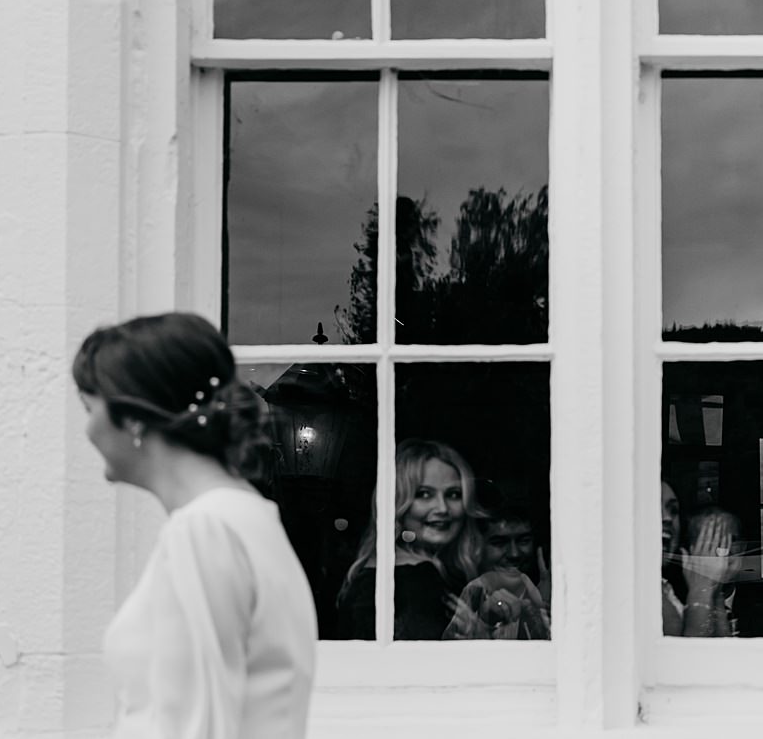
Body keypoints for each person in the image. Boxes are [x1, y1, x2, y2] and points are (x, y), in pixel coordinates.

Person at [74, 312, 315, 739]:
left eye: (89, 408)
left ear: (133, 419)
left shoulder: (207, 530)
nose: (87, 429)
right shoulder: (242, 518)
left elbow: (197, 728)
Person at [335, 439, 491, 640]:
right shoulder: (417, 577)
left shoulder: (379, 571)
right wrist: (481, 643)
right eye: (424, 494)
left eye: (453, 494)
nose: (442, 508)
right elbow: (422, 668)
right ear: (398, 503)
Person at [660, 481, 738, 636]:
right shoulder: (630, 588)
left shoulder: (663, 588)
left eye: (673, 510)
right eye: (709, 544)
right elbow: (691, 658)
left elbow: (722, 652)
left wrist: (712, 590)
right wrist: (701, 589)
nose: (667, 518)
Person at [476, 487, 553, 639]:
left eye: (523, 541)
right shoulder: (468, 596)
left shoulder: (553, 594)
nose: (514, 553)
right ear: (476, 547)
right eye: (499, 542)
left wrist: (545, 610)